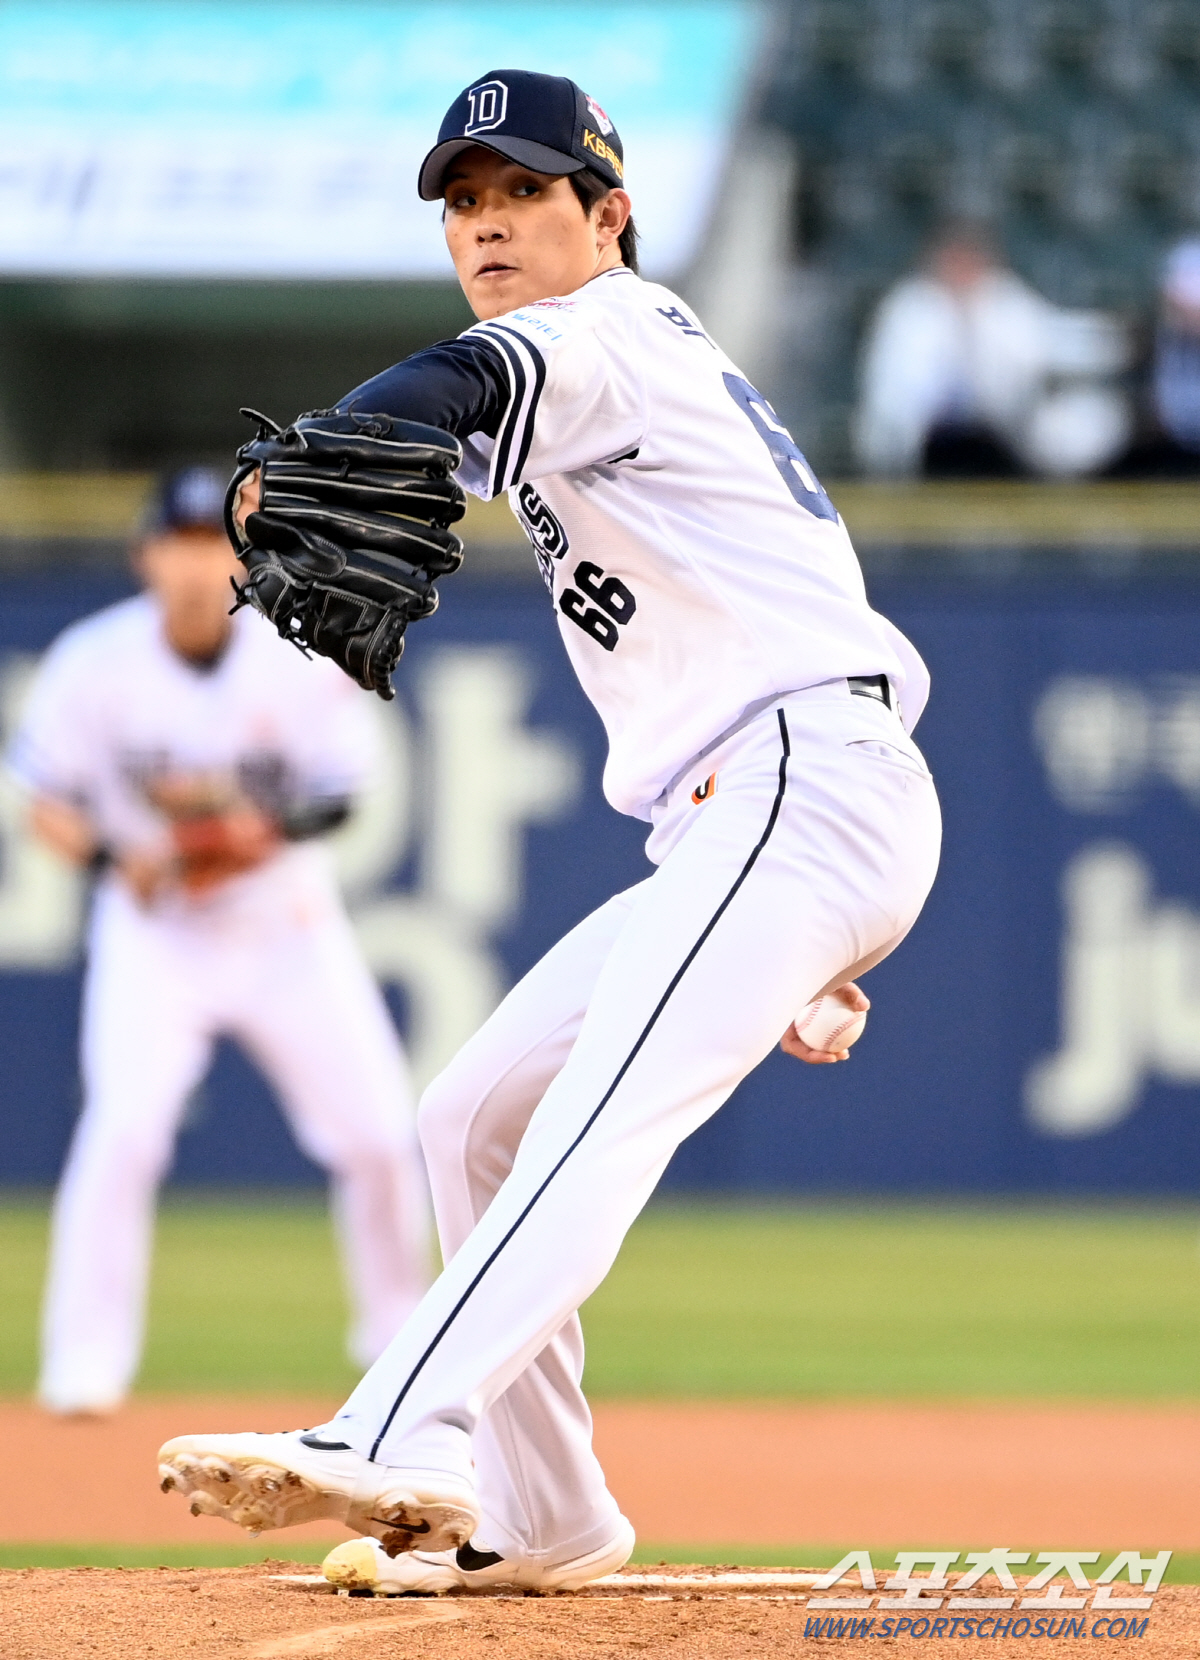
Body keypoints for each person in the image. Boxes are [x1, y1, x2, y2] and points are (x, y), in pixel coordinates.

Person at [158, 71, 941, 1594]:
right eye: (464, 203)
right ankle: (552, 1511)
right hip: (770, 811)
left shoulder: (606, 336)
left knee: (591, 1120)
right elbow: (459, 435)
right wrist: (796, 928)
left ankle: (396, 1423)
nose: (488, 225)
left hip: (797, 786)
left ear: (610, 214)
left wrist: (296, 458)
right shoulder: (611, 374)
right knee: (471, 1114)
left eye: (524, 191)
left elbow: (450, 388)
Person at [10, 467, 431, 1416]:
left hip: (284, 926)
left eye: (214, 543)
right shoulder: (95, 661)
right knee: (123, 1131)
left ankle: (398, 1346)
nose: (199, 564)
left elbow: (342, 792)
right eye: (181, 543)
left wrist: (259, 834)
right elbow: (46, 805)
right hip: (157, 932)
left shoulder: (295, 653)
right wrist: (116, 858)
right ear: (146, 556)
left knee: (377, 1134)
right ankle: (84, 1365)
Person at [854, 225, 1130, 479]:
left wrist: (1113, 338)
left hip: (1000, 431)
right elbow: (894, 382)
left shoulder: (1004, 298)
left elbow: (1049, 341)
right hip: (931, 434)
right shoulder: (909, 306)